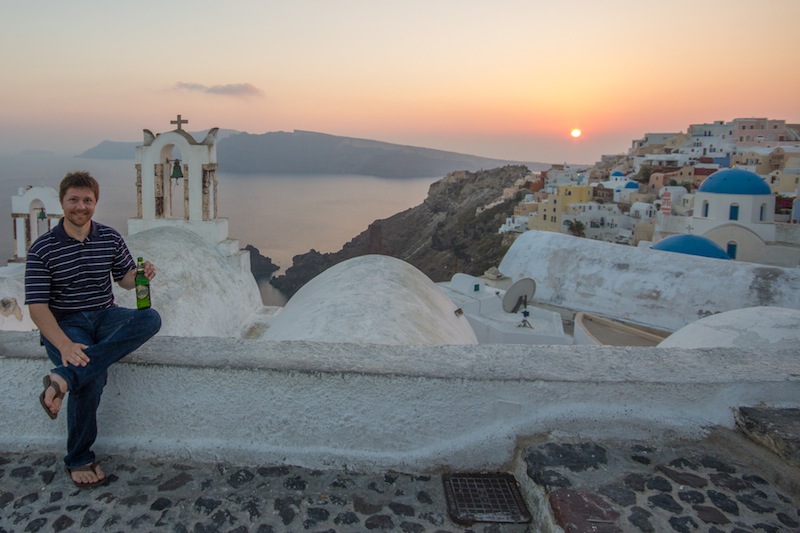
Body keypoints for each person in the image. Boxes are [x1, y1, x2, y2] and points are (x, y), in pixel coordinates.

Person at [24, 171, 162, 488]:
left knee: (149, 318)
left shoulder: (109, 238)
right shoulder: (42, 249)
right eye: (74, 199)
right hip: (66, 322)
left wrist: (141, 274)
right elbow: (37, 308)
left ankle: (64, 378)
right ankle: (78, 458)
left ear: (95, 203)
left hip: (105, 314)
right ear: (62, 203)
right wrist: (64, 346)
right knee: (92, 375)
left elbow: (124, 278)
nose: (81, 206)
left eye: (87, 200)